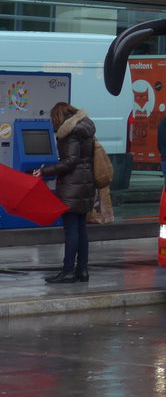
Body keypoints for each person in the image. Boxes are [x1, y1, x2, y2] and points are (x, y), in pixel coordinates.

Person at [32, 101, 96, 284]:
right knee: (81, 230)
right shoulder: (86, 129)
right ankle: (82, 270)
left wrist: (45, 170)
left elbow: (70, 161)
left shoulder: (70, 133)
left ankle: (67, 271)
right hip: (85, 185)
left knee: (71, 231)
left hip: (72, 187)